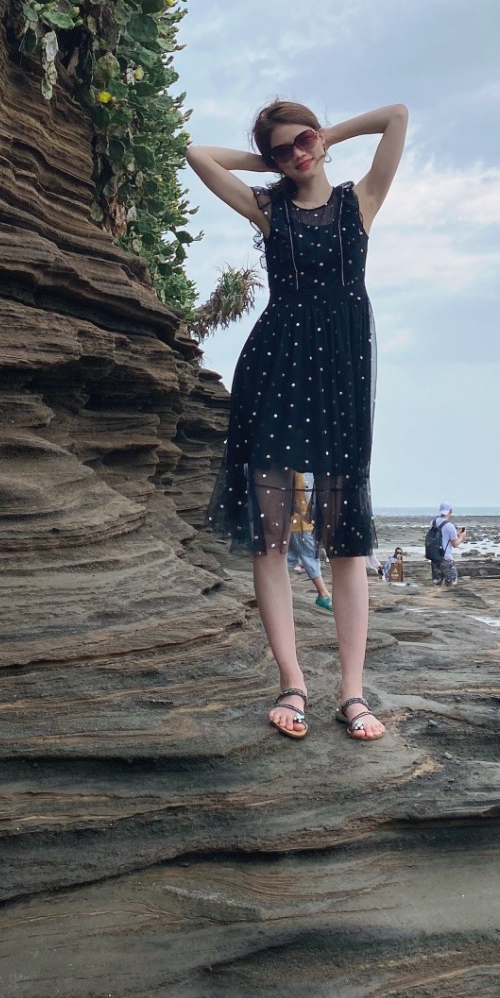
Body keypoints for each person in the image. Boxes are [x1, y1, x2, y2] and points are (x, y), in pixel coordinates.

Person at [188, 99, 409, 743]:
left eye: (302, 142)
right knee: (272, 533)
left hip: (341, 371)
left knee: (346, 536)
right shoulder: (268, 207)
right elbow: (197, 155)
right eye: (283, 150)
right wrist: (275, 162)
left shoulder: (359, 201)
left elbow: (396, 116)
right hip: (275, 367)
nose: (297, 155)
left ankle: (352, 693)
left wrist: (323, 139)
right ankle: (292, 683)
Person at [287, 474, 333, 611]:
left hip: (297, 523)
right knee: (310, 557)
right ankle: (323, 594)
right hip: (301, 524)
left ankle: (275, 590)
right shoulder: (300, 472)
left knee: (289, 559)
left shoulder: (299, 470)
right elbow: (299, 500)